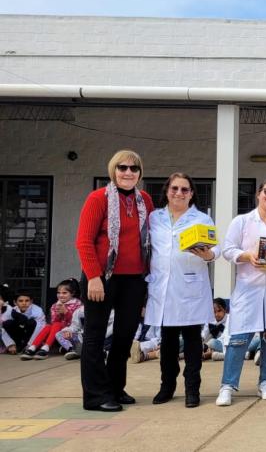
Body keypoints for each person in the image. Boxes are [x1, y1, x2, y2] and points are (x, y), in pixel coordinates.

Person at [75, 149, 154, 412]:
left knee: (124, 336)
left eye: (134, 168)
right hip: (102, 278)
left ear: (140, 173)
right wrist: (94, 277)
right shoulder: (98, 198)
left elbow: (151, 242)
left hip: (134, 279)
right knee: (95, 337)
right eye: (122, 168)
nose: (128, 173)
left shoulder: (145, 201)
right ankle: (96, 395)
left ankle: (115, 388)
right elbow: (84, 241)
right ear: (113, 170)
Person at [216, 180, 266, 406]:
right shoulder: (241, 221)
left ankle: (265, 382)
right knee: (238, 338)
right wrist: (248, 256)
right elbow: (228, 249)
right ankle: (228, 385)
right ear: (258, 194)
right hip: (249, 287)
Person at [145, 173, 218, 408]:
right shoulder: (154, 218)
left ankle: (192, 389)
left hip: (190, 287)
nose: (179, 193)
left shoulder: (201, 219)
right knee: (166, 341)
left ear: (191, 193)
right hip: (162, 287)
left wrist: (209, 255)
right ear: (167, 191)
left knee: (192, 341)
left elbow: (214, 250)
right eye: (174, 188)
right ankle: (167, 386)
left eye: (184, 189)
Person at [20, 279, 82, 360]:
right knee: (49, 326)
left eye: (64, 293)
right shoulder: (55, 305)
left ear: (72, 293)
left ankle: (45, 348)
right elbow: (53, 321)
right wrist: (58, 313)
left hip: (72, 331)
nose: (61, 295)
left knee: (56, 325)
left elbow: (76, 322)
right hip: (57, 331)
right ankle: (33, 347)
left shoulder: (77, 304)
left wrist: (66, 313)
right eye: (58, 293)